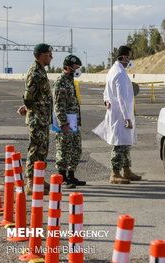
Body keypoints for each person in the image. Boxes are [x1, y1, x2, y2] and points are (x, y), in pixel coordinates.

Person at [92, 45, 141, 184]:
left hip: (117, 113)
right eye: (129, 57)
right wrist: (127, 118)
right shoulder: (119, 73)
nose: (130, 60)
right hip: (120, 115)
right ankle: (114, 173)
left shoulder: (113, 70)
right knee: (119, 144)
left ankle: (126, 171)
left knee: (126, 143)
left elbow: (107, 91)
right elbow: (122, 98)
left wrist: (106, 100)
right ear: (124, 57)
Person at [17, 43, 53, 195]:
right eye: (49, 55)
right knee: (35, 149)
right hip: (37, 118)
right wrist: (29, 108)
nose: (51, 57)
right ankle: (31, 182)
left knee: (43, 149)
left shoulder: (41, 71)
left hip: (43, 118)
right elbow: (28, 96)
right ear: (41, 56)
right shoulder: (35, 72)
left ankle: (39, 178)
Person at [52, 55, 86, 189]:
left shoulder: (70, 80)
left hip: (73, 122)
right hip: (65, 123)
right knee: (63, 150)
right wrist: (63, 124)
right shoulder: (61, 81)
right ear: (68, 67)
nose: (78, 70)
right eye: (76, 67)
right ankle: (62, 177)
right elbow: (58, 105)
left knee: (76, 149)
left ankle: (71, 175)